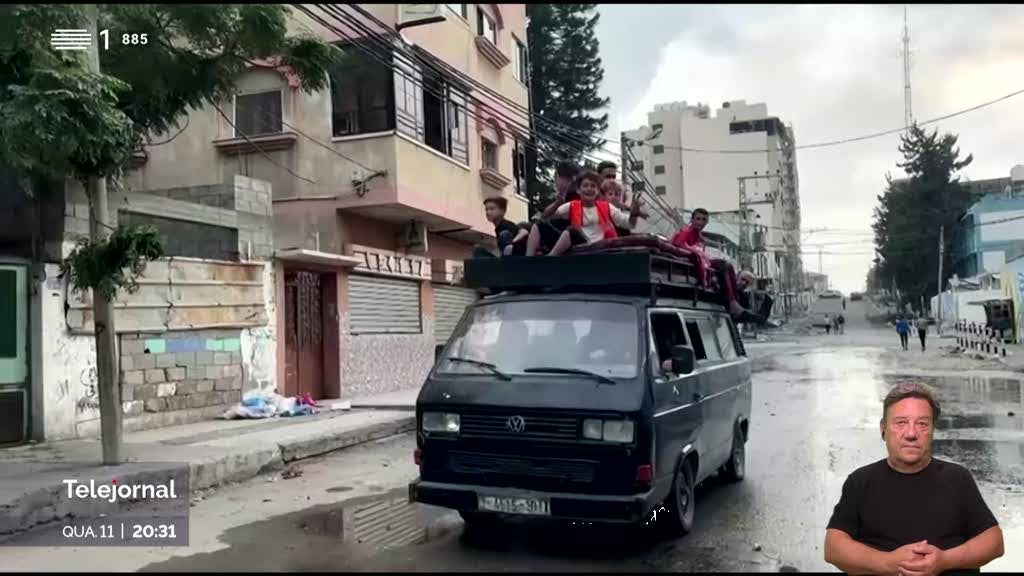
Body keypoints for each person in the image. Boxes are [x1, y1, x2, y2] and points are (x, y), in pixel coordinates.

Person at [824, 382, 1004, 575]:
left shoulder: (957, 478)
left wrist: (944, 561)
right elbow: (833, 548)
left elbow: (994, 543)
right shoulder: (861, 481)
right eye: (901, 423)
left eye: (922, 424)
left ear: (932, 431)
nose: (911, 434)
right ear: (883, 429)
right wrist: (887, 563)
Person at [670, 208, 764, 325]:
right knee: (724, 266)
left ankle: (734, 302)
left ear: (707, 222)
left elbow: (702, 241)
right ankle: (733, 304)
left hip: (699, 260)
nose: (700, 222)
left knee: (728, 266)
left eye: (704, 220)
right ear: (692, 220)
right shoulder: (687, 232)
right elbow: (678, 245)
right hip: (694, 260)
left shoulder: (696, 234)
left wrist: (713, 245)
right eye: (698, 219)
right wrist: (696, 252)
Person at [540, 169, 642, 256]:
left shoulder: (607, 207)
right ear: (578, 190)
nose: (589, 189)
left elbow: (630, 224)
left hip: (599, 250)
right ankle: (534, 262)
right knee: (539, 225)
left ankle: (550, 258)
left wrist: (634, 214)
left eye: (593, 186)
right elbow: (546, 216)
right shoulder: (572, 206)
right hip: (577, 249)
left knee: (571, 230)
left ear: (597, 191)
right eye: (585, 185)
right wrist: (557, 202)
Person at [525, 162, 580, 255]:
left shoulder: (579, 193)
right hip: (562, 231)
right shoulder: (563, 195)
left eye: (557, 178)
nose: (556, 182)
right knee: (535, 226)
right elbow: (544, 216)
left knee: (538, 227)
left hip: (574, 233)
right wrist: (558, 202)